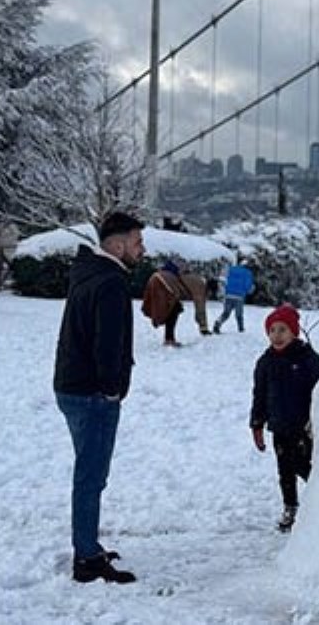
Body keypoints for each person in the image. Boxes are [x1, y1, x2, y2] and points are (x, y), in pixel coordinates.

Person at [52, 210, 146, 585]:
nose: (142, 249)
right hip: (92, 394)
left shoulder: (87, 271)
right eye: (137, 242)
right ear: (118, 243)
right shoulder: (110, 282)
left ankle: (87, 544)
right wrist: (112, 389)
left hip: (70, 386)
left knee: (88, 473)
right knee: (91, 476)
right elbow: (107, 344)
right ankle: (87, 558)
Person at [249, 303, 319, 533]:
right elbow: (259, 394)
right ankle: (290, 506)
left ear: (294, 332)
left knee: (305, 467)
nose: (277, 335)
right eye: (272, 330)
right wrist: (257, 423)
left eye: (282, 329)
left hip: (304, 427)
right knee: (285, 471)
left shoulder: (306, 358)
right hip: (279, 427)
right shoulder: (265, 362)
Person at [142, 258, 186, 347]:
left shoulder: (157, 274)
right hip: (167, 299)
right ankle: (169, 339)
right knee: (172, 315)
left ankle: (169, 338)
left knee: (170, 313)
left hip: (157, 296)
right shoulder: (172, 275)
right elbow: (176, 292)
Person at [214, 261, 255, 333]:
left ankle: (218, 323)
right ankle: (241, 328)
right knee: (239, 314)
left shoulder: (231, 269)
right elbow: (248, 285)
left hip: (228, 295)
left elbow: (224, 280)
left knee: (226, 313)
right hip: (239, 296)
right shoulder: (248, 272)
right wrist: (248, 290)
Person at [179, 266, 211, 336]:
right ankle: (203, 328)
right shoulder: (199, 280)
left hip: (192, 291)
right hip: (199, 294)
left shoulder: (181, 277)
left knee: (200, 309)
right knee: (201, 309)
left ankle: (201, 324)